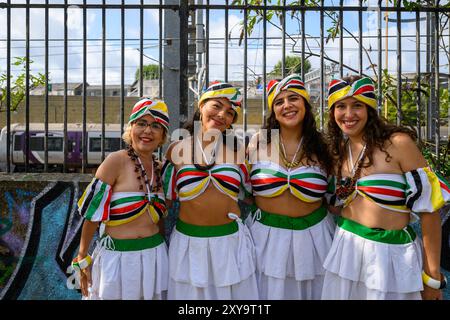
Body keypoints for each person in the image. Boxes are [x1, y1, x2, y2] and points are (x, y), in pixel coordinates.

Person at [323, 75, 449, 300]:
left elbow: (430, 212)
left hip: (394, 257)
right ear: (332, 113)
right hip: (346, 253)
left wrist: (432, 277)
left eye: (357, 105)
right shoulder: (338, 152)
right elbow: (333, 204)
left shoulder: (398, 144)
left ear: (370, 109)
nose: (348, 114)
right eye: (340, 106)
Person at [161, 82, 259, 300]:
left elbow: (255, 195)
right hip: (188, 245)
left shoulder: (238, 152)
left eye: (230, 113)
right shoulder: (175, 151)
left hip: (230, 245)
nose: (222, 115)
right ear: (201, 105)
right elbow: (164, 203)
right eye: (216, 106)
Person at [245, 74, 335, 299]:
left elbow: (337, 196)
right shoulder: (258, 142)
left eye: (293, 98)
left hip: (315, 242)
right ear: (273, 110)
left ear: (305, 104)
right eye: (279, 101)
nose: (287, 105)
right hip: (264, 241)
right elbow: (244, 190)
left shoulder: (325, 147)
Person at [73, 98, 170, 300]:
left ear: (162, 135)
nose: (148, 131)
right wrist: (82, 258)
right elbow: (92, 215)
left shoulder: (161, 169)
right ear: (131, 128)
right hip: (116, 260)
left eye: (155, 126)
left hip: (155, 257)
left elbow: (159, 219)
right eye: (141, 124)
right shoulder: (115, 161)